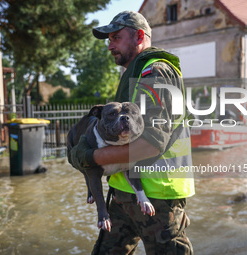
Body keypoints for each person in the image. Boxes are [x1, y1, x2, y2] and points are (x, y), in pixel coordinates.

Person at [69, 11, 195, 255]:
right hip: (124, 193)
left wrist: (90, 158)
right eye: (109, 40)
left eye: (115, 38)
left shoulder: (155, 73)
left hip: (158, 197)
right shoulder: (134, 73)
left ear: (139, 36)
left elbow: (150, 146)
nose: (109, 46)